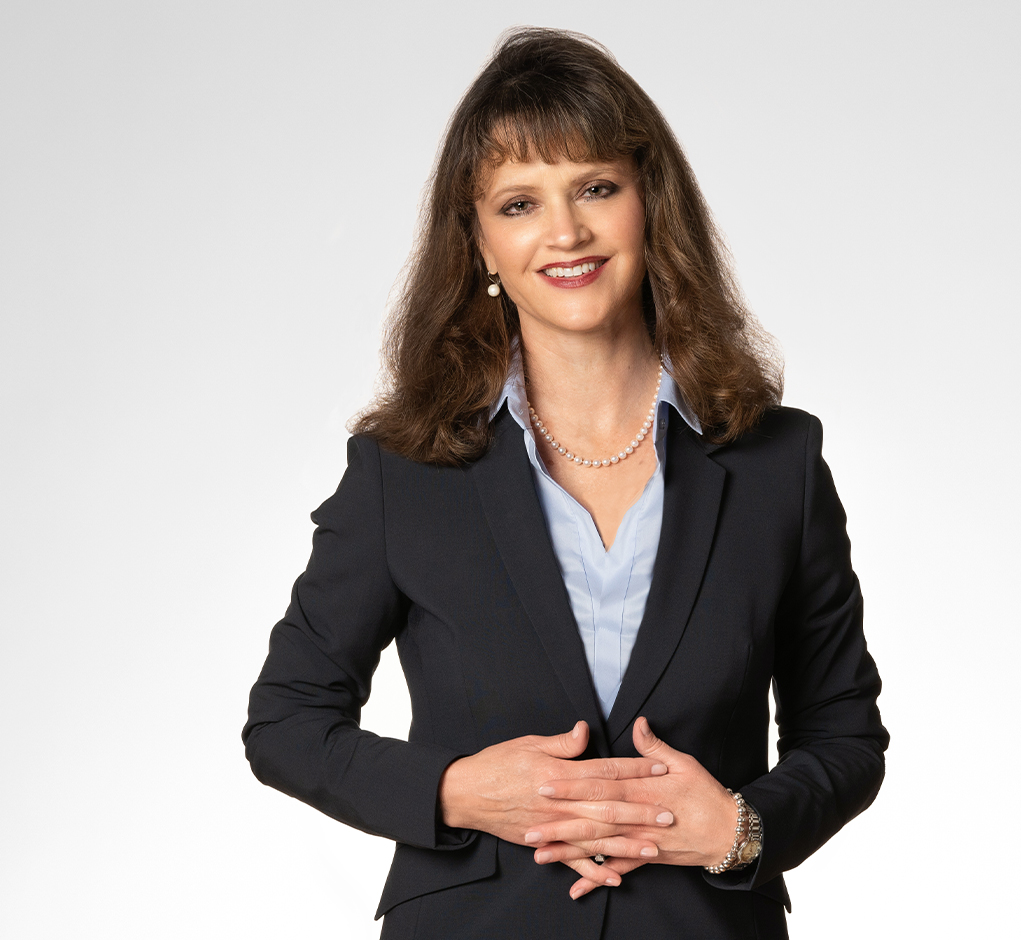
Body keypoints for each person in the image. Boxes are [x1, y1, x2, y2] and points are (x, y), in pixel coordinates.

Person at [243, 27, 887, 940]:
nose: (565, 232)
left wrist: (739, 830)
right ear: (479, 244)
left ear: (649, 203)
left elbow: (845, 736)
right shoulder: (404, 472)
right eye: (519, 203)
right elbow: (286, 722)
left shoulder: (776, 463)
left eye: (595, 188)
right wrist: (459, 790)